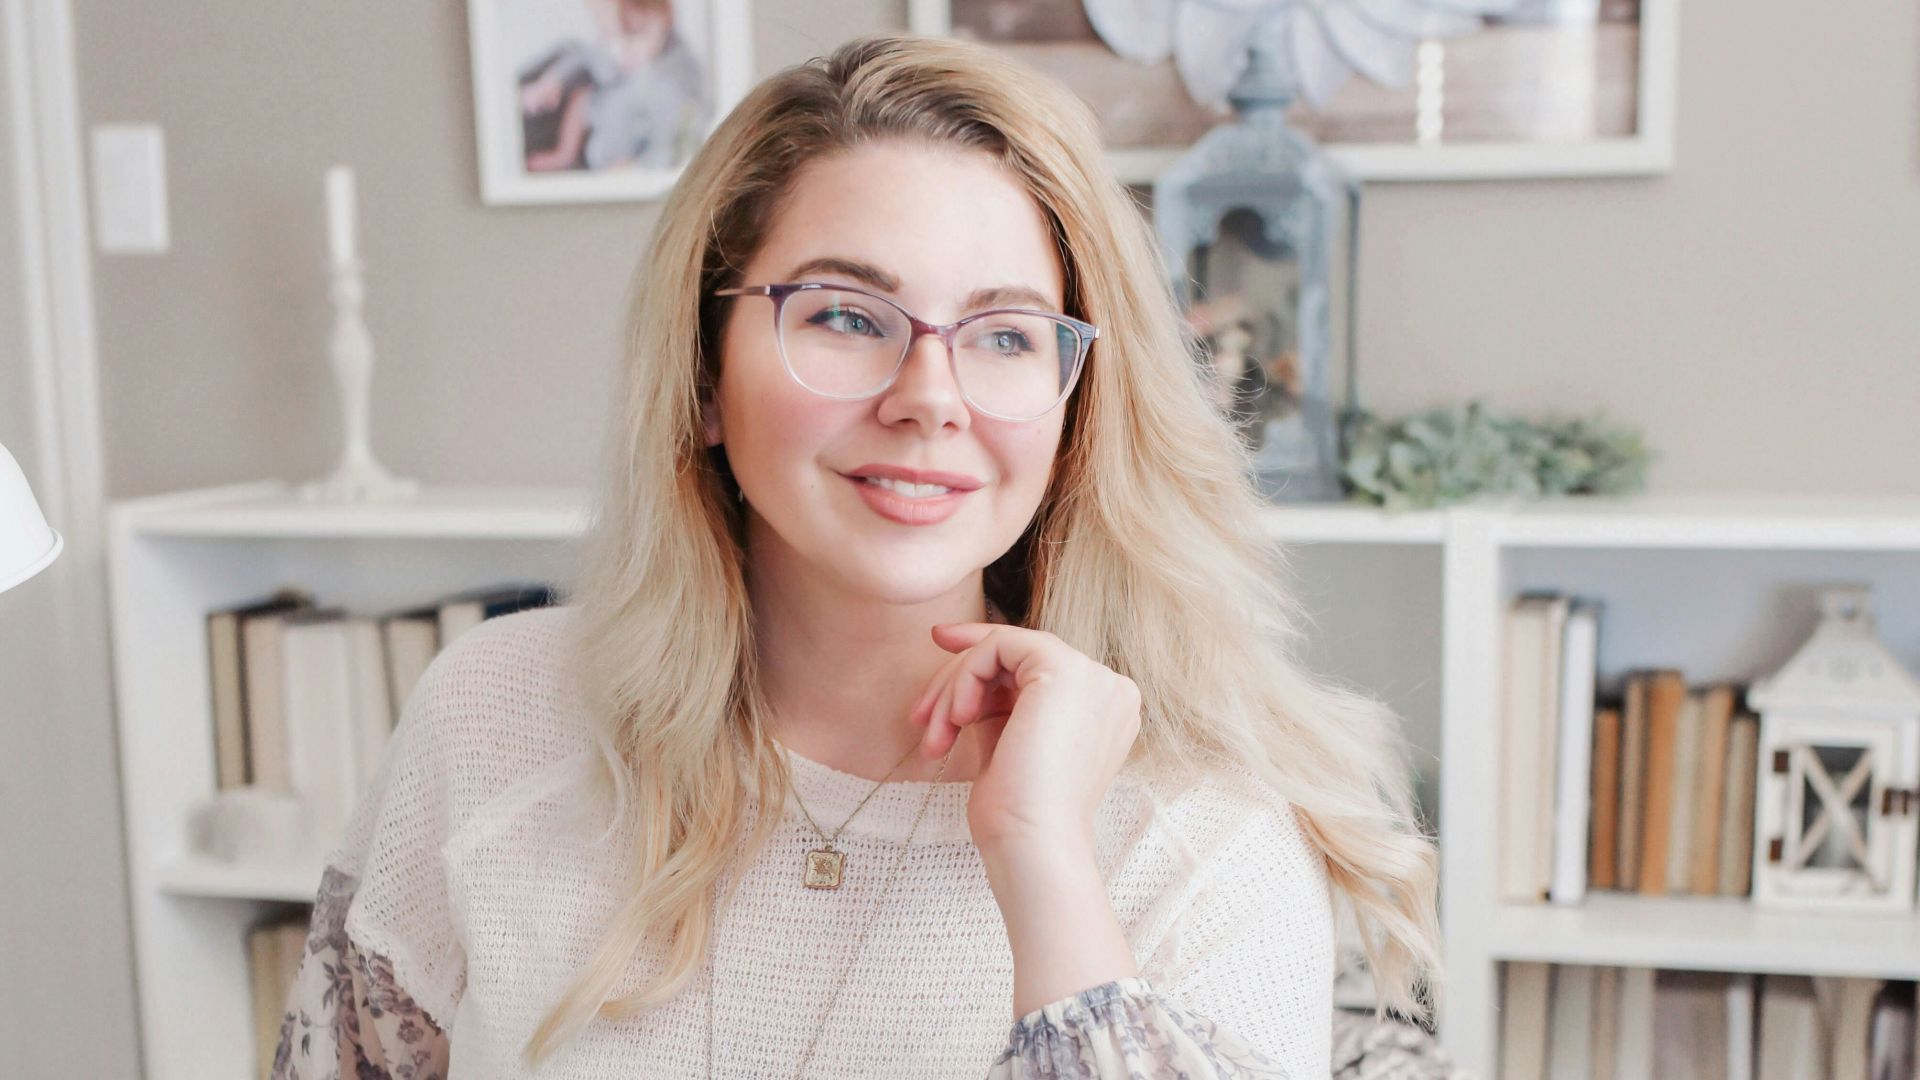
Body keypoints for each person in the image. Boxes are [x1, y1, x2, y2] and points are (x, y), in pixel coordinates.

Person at [272, 30, 1440, 1079]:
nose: (930, 399)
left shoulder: (1206, 839)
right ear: (705, 376)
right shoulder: (491, 718)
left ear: (1075, 406)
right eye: (843, 315)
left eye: (1005, 335)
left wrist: (1041, 862)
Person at [519, 0, 709, 172]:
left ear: (667, 16)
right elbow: (587, 57)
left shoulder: (675, 82)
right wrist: (554, 80)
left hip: (626, 159)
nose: (621, 51)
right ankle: (564, 154)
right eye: (610, 37)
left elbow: (673, 147)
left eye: (634, 35)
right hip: (598, 132)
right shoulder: (625, 54)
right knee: (579, 75)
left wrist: (637, 168)